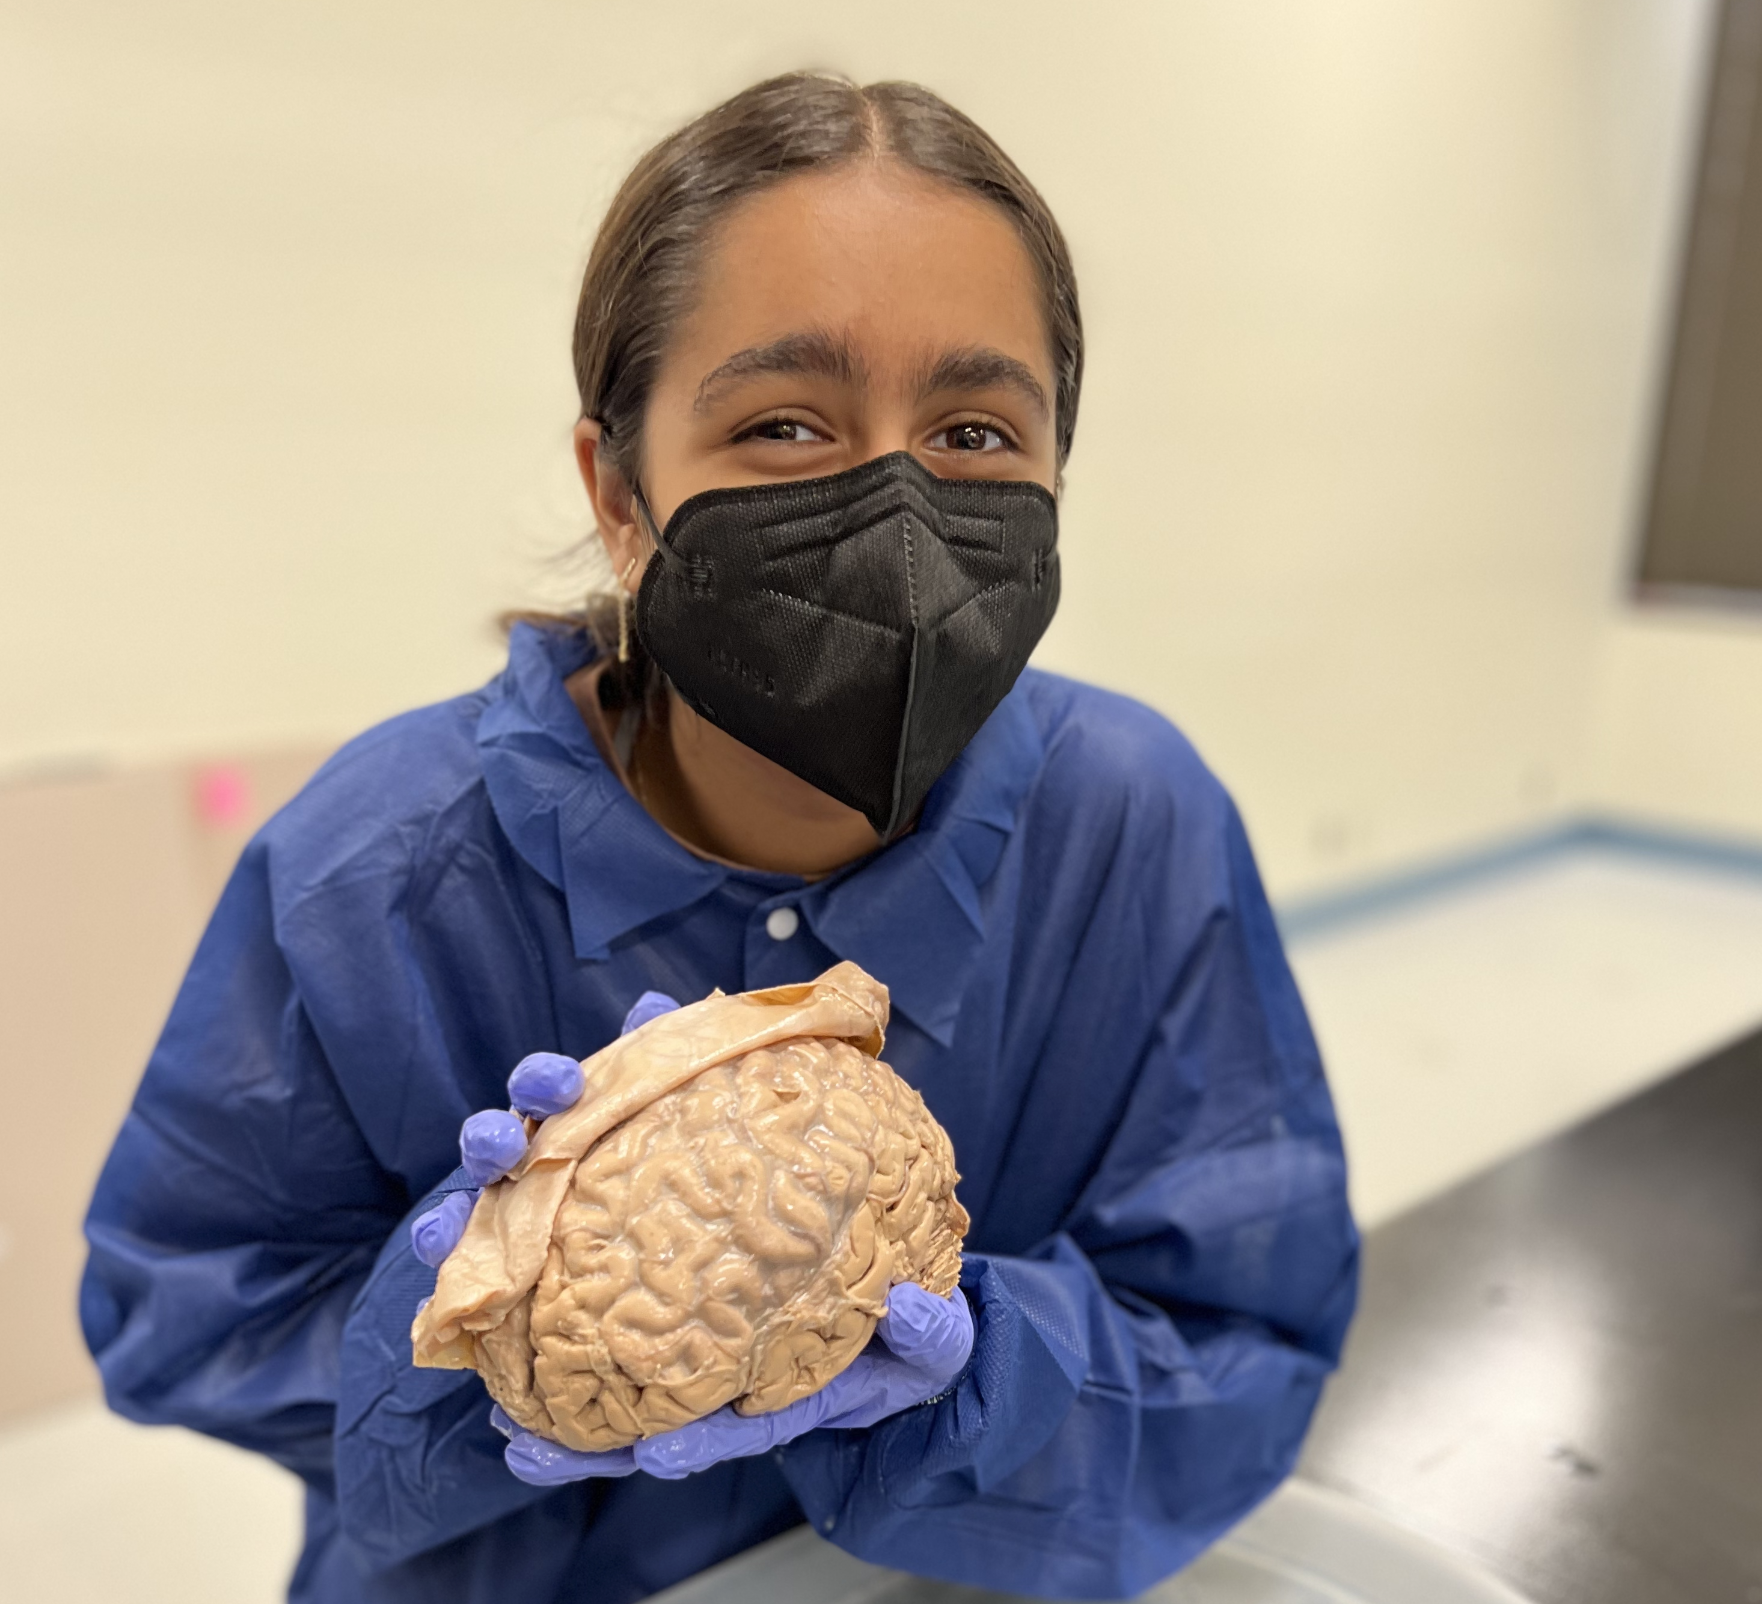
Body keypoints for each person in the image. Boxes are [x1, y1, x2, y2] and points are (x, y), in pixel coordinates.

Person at [81, 71, 1358, 1604]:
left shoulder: (1130, 824)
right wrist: (479, 1323)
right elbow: (182, 1316)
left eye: (970, 428)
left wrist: (971, 1383)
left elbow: (1245, 1326)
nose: (891, 507)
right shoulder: (378, 868)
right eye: (782, 423)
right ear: (619, 493)